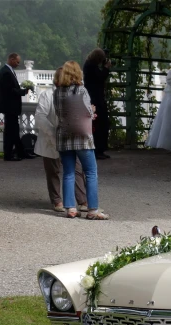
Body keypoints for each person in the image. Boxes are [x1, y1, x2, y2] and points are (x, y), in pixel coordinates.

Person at [54, 60, 109, 220]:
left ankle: (70, 208)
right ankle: (92, 209)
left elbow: (59, 113)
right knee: (90, 172)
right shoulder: (82, 90)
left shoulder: (57, 92)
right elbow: (87, 112)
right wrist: (92, 111)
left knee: (69, 173)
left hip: (64, 136)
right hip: (83, 137)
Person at [35, 67, 88, 213]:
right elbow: (40, 117)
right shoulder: (47, 95)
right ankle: (57, 200)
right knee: (53, 170)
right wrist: (54, 133)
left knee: (77, 169)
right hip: (50, 139)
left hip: (70, 139)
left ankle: (82, 200)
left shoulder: (73, 94)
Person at [0, 53, 35, 161]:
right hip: (9, 107)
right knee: (10, 131)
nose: (18, 64)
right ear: (11, 59)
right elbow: (10, 91)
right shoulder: (6, 72)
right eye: (17, 62)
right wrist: (23, 92)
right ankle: (9, 155)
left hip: (10, 107)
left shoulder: (7, 71)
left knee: (13, 130)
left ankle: (20, 152)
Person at [83, 48, 112, 159]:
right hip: (96, 99)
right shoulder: (91, 66)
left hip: (93, 97)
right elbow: (100, 78)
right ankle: (98, 149)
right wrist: (106, 68)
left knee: (99, 124)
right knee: (100, 123)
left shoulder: (89, 64)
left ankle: (98, 149)